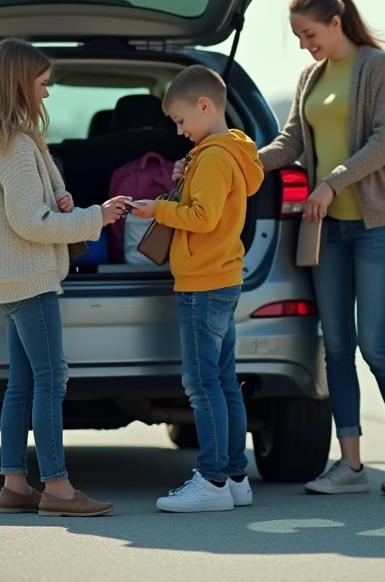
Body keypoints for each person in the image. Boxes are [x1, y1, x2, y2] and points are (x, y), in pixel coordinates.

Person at [257, 0, 385, 496]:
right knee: (336, 348)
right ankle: (351, 465)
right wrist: (237, 158)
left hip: (375, 225)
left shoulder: (377, 66)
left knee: (374, 343)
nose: (303, 44)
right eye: (297, 36)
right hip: (327, 232)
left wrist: (332, 180)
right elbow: (291, 142)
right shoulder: (310, 77)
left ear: (335, 22)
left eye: (308, 34)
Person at [0, 37, 130, 517]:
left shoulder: (2, 141)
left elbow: (29, 211)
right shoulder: (14, 145)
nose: (47, 94)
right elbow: (30, 225)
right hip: (29, 279)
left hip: (13, 279)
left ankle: (15, 483)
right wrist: (98, 215)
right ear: (19, 84)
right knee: (51, 380)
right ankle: (57, 487)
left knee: (23, 384)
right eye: (42, 84)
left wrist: (64, 204)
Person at [130, 65, 264, 513]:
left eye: (181, 120)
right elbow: (212, 210)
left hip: (202, 284)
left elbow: (203, 219)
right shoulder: (233, 152)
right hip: (224, 279)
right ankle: (235, 477)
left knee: (202, 384)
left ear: (205, 106)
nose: (179, 130)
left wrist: (158, 211)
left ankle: (211, 480)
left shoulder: (212, 157)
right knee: (225, 383)